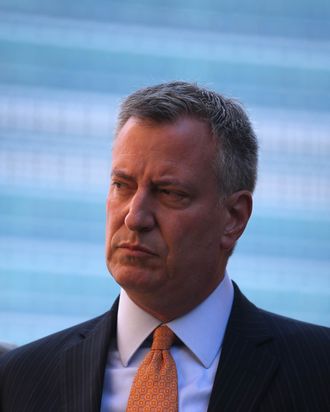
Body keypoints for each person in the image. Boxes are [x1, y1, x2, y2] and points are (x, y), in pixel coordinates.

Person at [0, 81, 329, 412]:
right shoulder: (19, 377)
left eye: (170, 193)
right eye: (121, 186)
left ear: (234, 217)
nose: (135, 217)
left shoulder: (317, 370)